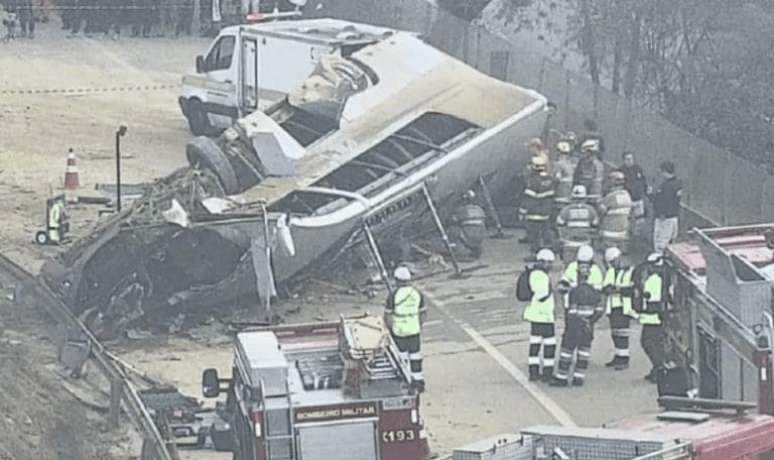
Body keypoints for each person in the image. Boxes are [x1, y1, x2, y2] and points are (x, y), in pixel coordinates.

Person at [550, 263, 604, 386]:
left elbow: (572, 312)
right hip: (588, 329)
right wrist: (589, 322)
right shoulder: (594, 292)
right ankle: (578, 378)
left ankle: (562, 378)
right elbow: (599, 310)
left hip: (574, 328)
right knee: (583, 353)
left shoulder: (575, 292)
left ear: (579, 276)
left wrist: (575, 322)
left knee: (566, 352)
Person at [384, 266, 427, 392]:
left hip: (399, 331)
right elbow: (423, 313)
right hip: (414, 329)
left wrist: (390, 329)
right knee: (416, 356)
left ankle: (406, 381)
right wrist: (418, 325)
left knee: (402, 358)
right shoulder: (417, 294)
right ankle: (418, 381)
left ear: (397, 280)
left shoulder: (393, 295)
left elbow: (388, 315)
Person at [633, 253, 671, 383]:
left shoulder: (655, 278)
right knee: (655, 344)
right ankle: (657, 368)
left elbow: (652, 299)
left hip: (654, 318)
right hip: (657, 317)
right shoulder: (662, 277)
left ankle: (659, 369)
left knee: (648, 342)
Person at [522, 248, 557, 382]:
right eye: (549, 263)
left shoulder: (533, 273)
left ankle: (534, 371)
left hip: (536, 315)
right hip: (544, 315)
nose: (550, 266)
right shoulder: (540, 275)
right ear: (543, 262)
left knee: (535, 343)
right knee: (549, 344)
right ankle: (547, 373)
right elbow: (542, 295)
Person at [602, 247, 636, 370]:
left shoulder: (630, 272)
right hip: (613, 306)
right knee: (615, 333)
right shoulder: (611, 272)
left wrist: (617, 289)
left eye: (614, 260)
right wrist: (617, 289)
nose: (613, 264)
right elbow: (606, 288)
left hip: (624, 307)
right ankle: (618, 356)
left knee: (622, 334)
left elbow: (631, 289)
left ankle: (624, 359)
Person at [520, 155, 555, 259]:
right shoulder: (549, 180)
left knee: (534, 235)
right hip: (546, 213)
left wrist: (522, 212)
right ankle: (546, 252)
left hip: (534, 214)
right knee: (545, 234)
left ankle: (534, 254)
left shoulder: (533, 181)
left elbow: (529, 200)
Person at [555, 185, 598, 262]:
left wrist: (562, 238)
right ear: (585, 198)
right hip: (585, 243)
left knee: (569, 268)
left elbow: (559, 225)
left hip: (569, 243)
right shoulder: (591, 210)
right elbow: (595, 226)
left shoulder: (566, 210)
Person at [650, 161, 683, 253]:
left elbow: (662, 202)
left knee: (660, 244)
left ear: (664, 171)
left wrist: (651, 196)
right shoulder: (678, 184)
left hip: (664, 219)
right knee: (672, 244)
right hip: (674, 217)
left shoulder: (666, 186)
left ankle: (659, 263)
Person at [598, 170, 632, 251]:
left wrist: (598, 202)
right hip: (622, 233)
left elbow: (600, 212)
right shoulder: (627, 195)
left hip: (609, 233)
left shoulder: (610, 197)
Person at [449, 190, 487, 259]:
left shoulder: (462, 210)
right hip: (479, 237)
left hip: (468, 237)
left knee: (452, 229)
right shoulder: (480, 209)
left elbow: (452, 219)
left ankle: (452, 248)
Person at [620, 151, 648, 237]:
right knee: (626, 219)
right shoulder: (621, 171)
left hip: (638, 199)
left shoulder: (638, 169)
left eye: (631, 159)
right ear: (624, 160)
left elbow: (643, 181)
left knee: (639, 221)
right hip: (627, 200)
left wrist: (645, 191)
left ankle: (637, 237)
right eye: (627, 159)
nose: (630, 161)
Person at [553, 139, 577, 206]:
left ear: (559, 152)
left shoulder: (558, 164)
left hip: (560, 195)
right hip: (569, 195)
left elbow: (557, 179)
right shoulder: (570, 164)